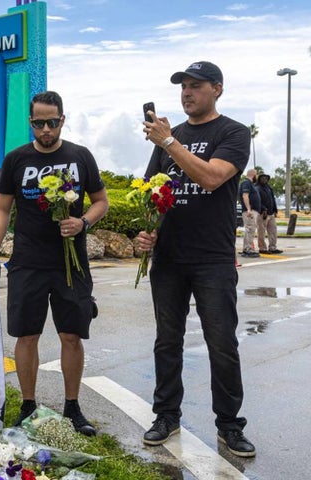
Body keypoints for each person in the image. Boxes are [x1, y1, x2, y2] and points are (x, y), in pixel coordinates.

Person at [138, 61, 256, 457]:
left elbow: (211, 177)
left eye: (196, 86)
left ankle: (229, 425)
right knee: (166, 342)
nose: (187, 93)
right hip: (169, 258)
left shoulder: (233, 133)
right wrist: (145, 230)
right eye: (183, 87)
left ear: (217, 89)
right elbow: (153, 192)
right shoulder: (169, 138)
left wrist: (170, 143)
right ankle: (166, 415)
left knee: (221, 343)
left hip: (213, 259)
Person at [0, 91, 108, 436]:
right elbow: (2, 208)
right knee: (27, 335)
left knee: (71, 335)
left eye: (51, 122)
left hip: (72, 263)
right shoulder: (16, 159)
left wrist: (83, 222)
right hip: (27, 261)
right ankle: (28, 405)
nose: (45, 130)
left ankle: (73, 407)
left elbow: (101, 201)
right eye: (38, 123)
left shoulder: (80, 156)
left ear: (62, 120)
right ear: (30, 122)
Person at [255, 173, 283, 254]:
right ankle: (262, 248)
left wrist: (275, 209)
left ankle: (272, 247)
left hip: (271, 213)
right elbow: (257, 201)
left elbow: (272, 199)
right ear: (259, 179)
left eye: (266, 178)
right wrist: (263, 209)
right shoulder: (257, 188)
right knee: (261, 231)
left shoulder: (269, 188)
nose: (264, 179)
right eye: (263, 178)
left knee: (273, 231)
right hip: (262, 213)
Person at [239, 168, 261, 258]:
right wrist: (248, 209)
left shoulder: (250, 184)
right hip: (250, 211)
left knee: (250, 229)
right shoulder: (246, 183)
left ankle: (246, 248)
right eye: (256, 175)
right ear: (253, 175)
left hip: (253, 210)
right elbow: (245, 195)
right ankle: (248, 249)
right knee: (250, 229)